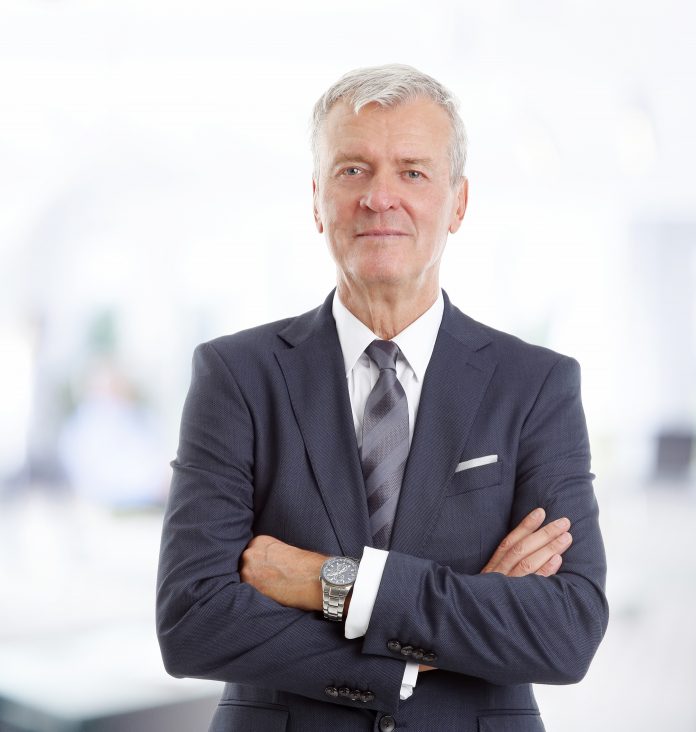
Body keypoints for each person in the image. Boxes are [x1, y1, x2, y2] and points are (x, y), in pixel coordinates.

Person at [156, 64, 608, 732]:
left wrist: (329, 582)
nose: (379, 197)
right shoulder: (236, 375)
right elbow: (192, 619)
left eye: (413, 172)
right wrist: (421, 649)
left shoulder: (535, 385)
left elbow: (565, 630)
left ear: (458, 202)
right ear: (317, 199)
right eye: (353, 171)